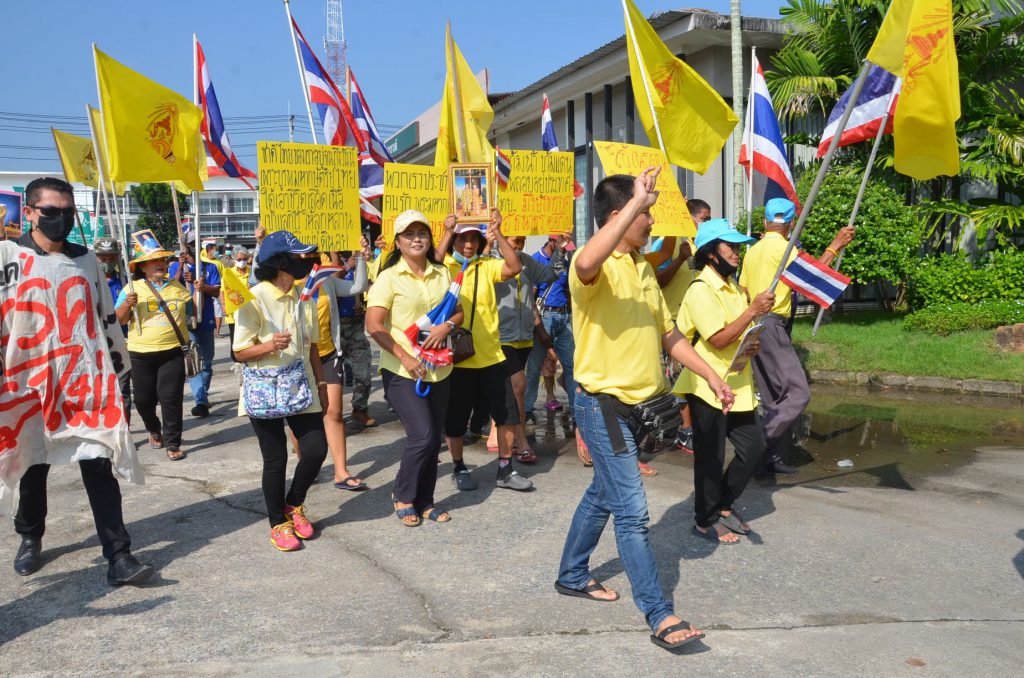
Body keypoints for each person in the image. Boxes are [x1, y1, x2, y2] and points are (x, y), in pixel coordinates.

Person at [556, 170, 733, 651]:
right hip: (602, 406)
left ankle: (572, 573)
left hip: (645, 406)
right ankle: (659, 613)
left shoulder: (642, 268)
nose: (652, 220)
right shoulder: (588, 267)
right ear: (620, 216)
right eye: (645, 213)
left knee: (604, 493)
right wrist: (636, 201)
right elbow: (589, 257)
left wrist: (712, 374)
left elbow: (670, 336)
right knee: (633, 512)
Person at [7, 177, 152, 586]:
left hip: (83, 384)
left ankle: (119, 557)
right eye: (51, 212)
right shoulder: (8, 257)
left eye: (68, 212)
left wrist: (115, 373)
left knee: (98, 466)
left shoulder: (87, 260)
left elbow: (105, 317)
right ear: (30, 212)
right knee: (34, 467)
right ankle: (30, 537)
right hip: (30, 386)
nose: (62, 220)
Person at [739, 198, 855, 476]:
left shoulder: (752, 251)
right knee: (798, 393)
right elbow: (811, 278)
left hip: (753, 325)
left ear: (765, 222)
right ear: (791, 224)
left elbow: (743, 290)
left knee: (773, 398)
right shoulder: (785, 248)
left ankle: (768, 459)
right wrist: (835, 246)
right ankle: (757, 449)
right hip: (771, 325)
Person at [676, 218, 772, 545]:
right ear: (711, 252)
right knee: (710, 456)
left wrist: (752, 341)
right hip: (707, 385)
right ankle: (705, 519)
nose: (737, 252)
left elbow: (737, 334)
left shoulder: (732, 287)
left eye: (738, 246)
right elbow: (717, 338)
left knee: (754, 446)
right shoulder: (700, 289)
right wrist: (752, 312)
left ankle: (725, 505)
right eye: (730, 246)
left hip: (738, 384)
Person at [232, 231, 330, 552]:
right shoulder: (254, 298)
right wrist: (268, 345)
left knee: (315, 450)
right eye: (298, 256)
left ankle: (293, 503)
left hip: (301, 386)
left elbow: (313, 346)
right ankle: (277, 523)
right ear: (278, 262)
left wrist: (321, 383)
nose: (305, 261)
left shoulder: (305, 296)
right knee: (275, 460)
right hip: (264, 390)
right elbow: (239, 352)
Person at [366, 211, 464, 525]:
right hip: (401, 370)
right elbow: (374, 325)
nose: (417, 239)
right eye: (409, 234)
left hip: (440, 368)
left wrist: (446, 326)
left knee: (434, 437)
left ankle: (425, 501)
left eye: (422, 233)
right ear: (398, 242)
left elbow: (458, 312)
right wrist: (405, 357)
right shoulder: (388, 277)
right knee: (421, 436)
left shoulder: (441, 272)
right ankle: (403, 494)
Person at [435, 211, 532, 492]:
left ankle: (505, 469)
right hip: (458, 360)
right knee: (455, 421)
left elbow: (514, 267)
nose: (468, 245)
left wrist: (498, 232)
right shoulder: (445, 266)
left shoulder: (487, 265)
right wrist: (447, 232)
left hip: (492, 356)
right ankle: (458, 466)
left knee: (507, 416)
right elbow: (433, 264)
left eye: (473, 239)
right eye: (463, 239)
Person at [484, 234, 566, 462]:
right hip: (501, 336)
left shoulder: (527, 261)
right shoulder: (489, 263)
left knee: (511, 390)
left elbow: (551, 274)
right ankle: (521, 441)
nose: (517, 246)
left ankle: (498, 433)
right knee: (518, 387)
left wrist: (559, 249)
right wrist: (491, 240)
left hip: (524, 338)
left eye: (520, 241)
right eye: (513, 241)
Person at [115, 239, 193, 461]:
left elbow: (194, 313)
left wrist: (197, 288)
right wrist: (127, 304)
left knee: (171, 398)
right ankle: (153, 428)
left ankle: (173, 442)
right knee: (143, 400)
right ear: (142, 266)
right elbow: (119, 320)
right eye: (154, 261)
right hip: (140, 354)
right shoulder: (131, 288)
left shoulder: (177, 286)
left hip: (172, 352)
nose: (161, 264)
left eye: (163, 260)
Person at [651, 198, 711, 456]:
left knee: (697, 375)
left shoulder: (703, 245)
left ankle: (693, 426)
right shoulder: (666, 243)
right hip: (673, 321)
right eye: (704, 219)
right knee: (678, 378)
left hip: (699, 321)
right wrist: (679, 259)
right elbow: (659, 281)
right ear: (690, 218)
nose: (706, 223)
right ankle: (684, 432)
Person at [308, 248, 369, 490]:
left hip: (328, 354)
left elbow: (357, 287)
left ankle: (341, 472)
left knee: (333, 412)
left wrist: (362, 257)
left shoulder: (327, 282)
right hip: (299, 358)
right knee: (302, 416)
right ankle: (307, 464)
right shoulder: (285, 284)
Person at [524, 234, 576, 423]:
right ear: (551, 241)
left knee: (571, 367)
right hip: (543, 317)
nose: (564, 249)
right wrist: (540, 329)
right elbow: (530, 298)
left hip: (564, 317)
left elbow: (568, 291)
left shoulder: (565, 261)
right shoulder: (535, 260)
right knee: (534, 367)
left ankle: (577, 413)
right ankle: (527, 410)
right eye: (561, 245)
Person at [170, 240, 221, 418]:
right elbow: (169, 288)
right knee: (192, 362)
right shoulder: (176, 266)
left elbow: (216, 292)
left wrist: (202, 286)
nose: (188, 247)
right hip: (186, 321)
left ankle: (203, 394)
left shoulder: (210, 267)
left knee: (207, 361)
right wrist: (181, 269)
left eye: (191, 244)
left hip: (205, 320)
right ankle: (200, 400)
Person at [94, 237, 132, 420]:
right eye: (103, 258)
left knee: (123, 389)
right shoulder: (89, 282)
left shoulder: (126, 282)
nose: (107, 261)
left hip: (122, 341)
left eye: (111, 257)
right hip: (96, 343)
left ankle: (125, 426)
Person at [201, 239, 226, 338]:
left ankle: (217, 331)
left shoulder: (218, 262)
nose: (216, 252)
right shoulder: (202, 260)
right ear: (209, 250)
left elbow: (223, 276)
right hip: (204, 290)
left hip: (216, 289)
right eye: (215, 250)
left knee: (218, 311)